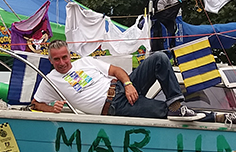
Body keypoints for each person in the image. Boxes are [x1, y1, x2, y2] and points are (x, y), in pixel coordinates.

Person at [30, 40, 206, 121]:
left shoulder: (85, 61)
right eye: (57, 59)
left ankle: (176, 104)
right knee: (162, 111)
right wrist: (52, 109)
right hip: (115, 106)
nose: (62, 63)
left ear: (70, 55)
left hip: (123, 86)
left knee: (159, 57)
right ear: (50, 61)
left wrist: (128, 84)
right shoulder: (50, 79)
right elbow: (35, 103)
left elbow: (115, 70)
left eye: (64, 57)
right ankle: (216, 117)